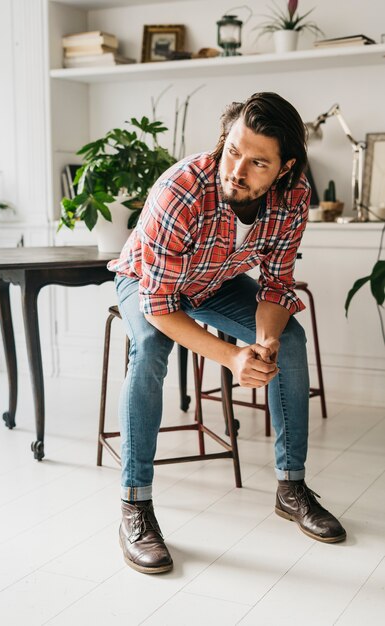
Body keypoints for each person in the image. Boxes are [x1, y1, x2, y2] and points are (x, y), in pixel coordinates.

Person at [107, 92, 346, 575]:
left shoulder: (294, 197)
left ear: (285, 167)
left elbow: (277, 284)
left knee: (293, 340)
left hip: (215, 279)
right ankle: (135, 506)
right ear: (224, 140)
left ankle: (291, 488)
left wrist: (265, 341)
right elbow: (159, 306)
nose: (237, 170)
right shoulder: (182, 190)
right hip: (147, 281)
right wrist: (233, 359)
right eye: (233, 150)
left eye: (258, 162)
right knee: (151, 347)